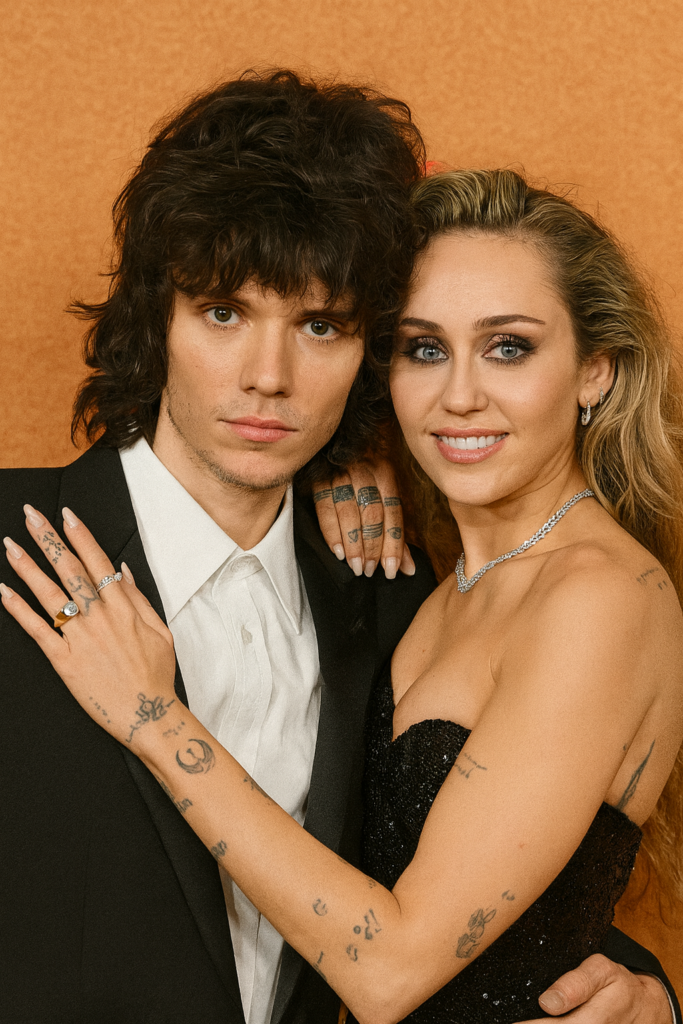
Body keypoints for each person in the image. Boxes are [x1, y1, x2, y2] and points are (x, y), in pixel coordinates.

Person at [0, 76, 676, 1024]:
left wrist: (642, 996)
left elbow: (475, 911)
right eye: (224, 312)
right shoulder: (15, 554)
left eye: (320, 326)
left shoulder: (387, 592)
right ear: (156, 317)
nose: (267, 377)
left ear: (361, 353)